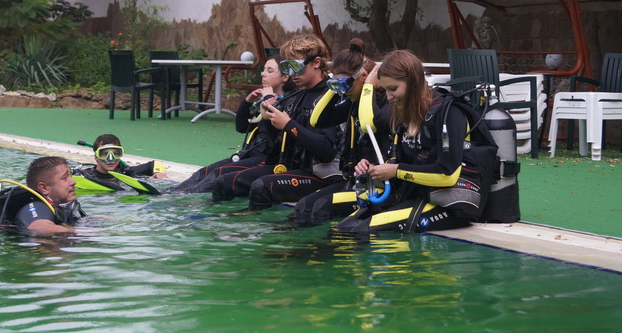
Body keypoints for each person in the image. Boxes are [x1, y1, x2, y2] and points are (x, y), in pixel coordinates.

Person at [335, 49, 498, 234]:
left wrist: (395, 171)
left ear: (413, 83)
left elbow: (447, 174)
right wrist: (374, 169)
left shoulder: (449, 112)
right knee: (344, 228)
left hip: (451, 202)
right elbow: (404, 163)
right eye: (386, 89)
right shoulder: (404, 114)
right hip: (421, 193)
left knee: (364, 231)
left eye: (393, 89)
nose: (388, 97)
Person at [211, 34, 339, 209]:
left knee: (262, 187)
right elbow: (279, 144)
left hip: (320, 175)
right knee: (225, 181)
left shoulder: (332, 96)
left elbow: (327, 150)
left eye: (296, 66)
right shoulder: (297, 97)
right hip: (292, 167)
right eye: (287, 67)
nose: (291, 73)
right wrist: (267, 119)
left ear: (316, 63)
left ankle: (263, 226)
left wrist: (288, 125)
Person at [292, 39, 386, 225]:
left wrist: (368, 86)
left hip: (380, 185)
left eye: (344, 84)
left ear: (363, 76)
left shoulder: (384, 103)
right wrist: (334, 88)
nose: (342, 90)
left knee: (322, 208)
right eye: (335, 83)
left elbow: (368, 123)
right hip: (354, 180)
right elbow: (317, 120)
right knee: (303, 207)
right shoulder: (352, 103)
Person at [171, 56, 295, 194]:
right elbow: (242, 127)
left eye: (269, 71)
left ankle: (183, 199)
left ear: (285, 77)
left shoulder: (290, 103)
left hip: (267, 158)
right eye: (263, 70)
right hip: (251, 153)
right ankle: (170, 193)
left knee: (218, 175)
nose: (263, 74)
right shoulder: (266, 100)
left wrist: (269, 103)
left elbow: (280, 139)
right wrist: (247, 102)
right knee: (204, 172)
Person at [14, 156, 83, 236]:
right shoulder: (37, 206)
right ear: (44, 188)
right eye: (65, 178)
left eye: (71, 176)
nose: (73, 182)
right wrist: (86, 232)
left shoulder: (60, 208)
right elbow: (38, 228)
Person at [76, 133, 167, 183]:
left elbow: (155, 164)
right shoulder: (84, 175)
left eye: (115, 154)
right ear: (96, 157)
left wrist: (158, 173)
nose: (110, 159)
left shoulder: (127, 173)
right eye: (104, 154)